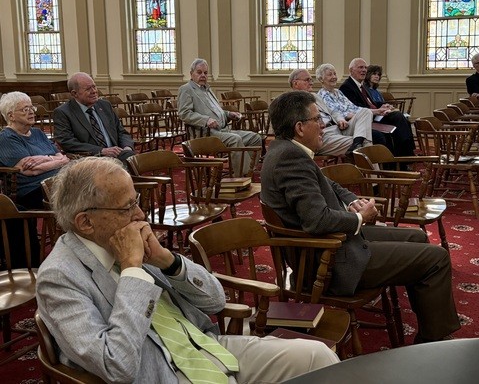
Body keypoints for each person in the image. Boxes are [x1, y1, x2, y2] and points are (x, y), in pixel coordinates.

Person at [35, 157, 339, 383]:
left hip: (208, 347)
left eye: (136, 201)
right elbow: (116, 365)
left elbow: (215, 302)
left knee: (318, 357)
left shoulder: (132, 240)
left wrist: (168, 261)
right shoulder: (59, 277)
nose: (140, 214)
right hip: (165, 373)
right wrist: (132, 271)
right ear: (86, 222)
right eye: (126, 207)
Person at [261, 91, 460, 343]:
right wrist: (360, 219)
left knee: (417, 237)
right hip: (330, 260)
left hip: (332, 245)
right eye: (317, 119)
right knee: (436, 258)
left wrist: (353, 201)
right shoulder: (290, 158)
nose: (323, 124)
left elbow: (328, 184)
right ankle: (432, 341)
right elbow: (317, 220)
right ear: (300, 128)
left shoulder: (287, 150)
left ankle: (427, 311)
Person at [0, 91, 70, 267]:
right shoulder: (6, 138)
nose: (31, 111)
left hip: (57, 180)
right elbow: (30, 170)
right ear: (11, 116)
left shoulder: (38, 133)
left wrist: (47, 159)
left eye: (32, 107)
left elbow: (62, 157)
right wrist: (57, 160)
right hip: (31, 190)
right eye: (25, 109)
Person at [178, 59, 261, 177]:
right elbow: (184, 113)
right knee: (235, 139)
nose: (203, 75)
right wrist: (206, 120)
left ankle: (245, 171)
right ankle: (243, 176)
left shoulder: (207, 89)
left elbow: (216, 111)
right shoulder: (186, 89)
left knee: (255, 138)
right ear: (191, 74)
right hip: (205, 134)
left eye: (205, 73)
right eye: (199, 72)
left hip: (222, 130)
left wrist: (229, 114)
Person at [289, 68, 377, 160]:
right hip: (323, 135)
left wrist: (340, 119)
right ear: (295, 83)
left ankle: (357, 143)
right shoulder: (293, 103)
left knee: (366, 112)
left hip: (338, 127)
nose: (311, 83)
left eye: (311, 80)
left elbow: (332, 112)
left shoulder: (315, 97)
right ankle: (360, 148)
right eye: (307, 80)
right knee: (365, 142)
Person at [340, 58, 415, 157]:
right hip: (365, 120)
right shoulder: (347, 86)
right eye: (360, 67)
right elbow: (355, 108)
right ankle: (406, 155)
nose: (364, 70)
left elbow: (370, 102)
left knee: (403, 120)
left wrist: (383, 105)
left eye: (365, 68)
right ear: (351, 70)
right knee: (397, 117)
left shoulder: (361, 85)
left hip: (374, 115)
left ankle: (406, 153)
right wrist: (378, 111)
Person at [53, 72, 135, 163]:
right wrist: (101, 151)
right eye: (88, 89)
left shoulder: (105, 105)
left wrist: (127, 147)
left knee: (135, 160)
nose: (94, 91)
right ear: (74, 93)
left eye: (94, 87)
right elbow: (67, 142)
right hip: (90, 159)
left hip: (116, 156)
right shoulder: (63, 112)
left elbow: (121, 132)